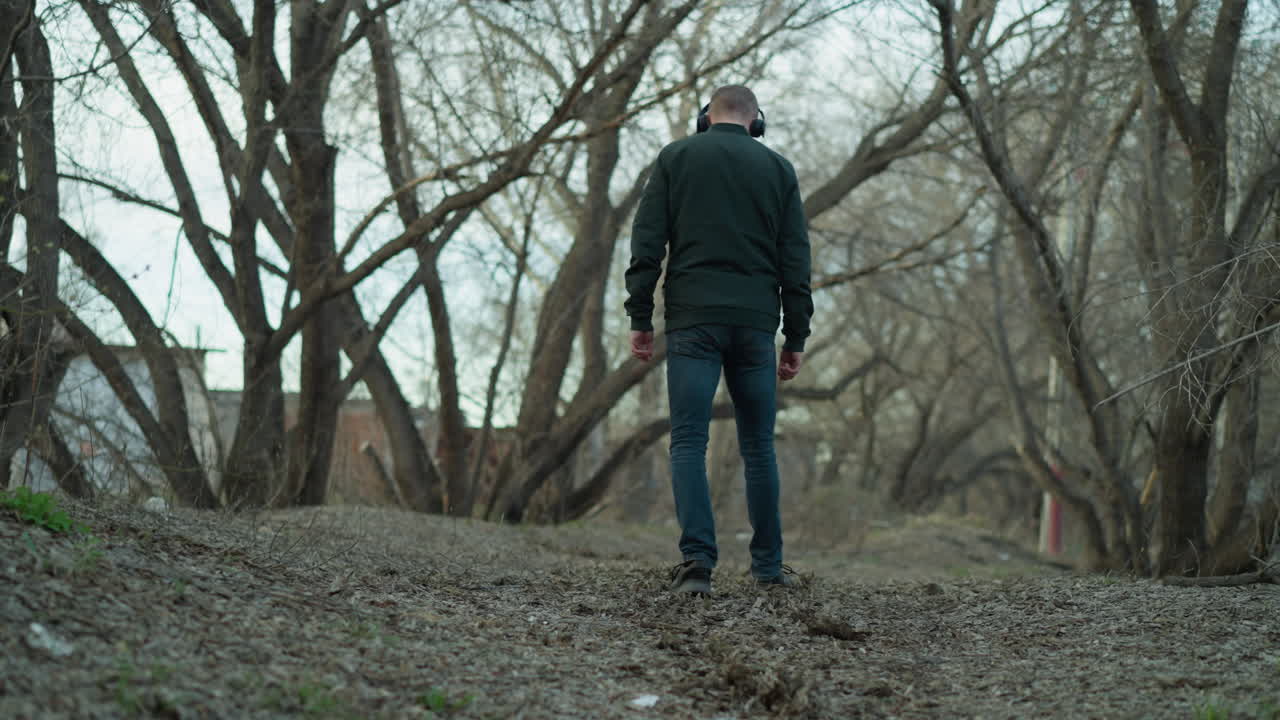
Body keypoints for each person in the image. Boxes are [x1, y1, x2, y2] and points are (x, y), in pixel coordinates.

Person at [624, 85, 813, 595]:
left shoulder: (676, 158)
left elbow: (647, 242)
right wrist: (795, 333)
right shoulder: (778, 170)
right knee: (758, 447)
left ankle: (698, 565)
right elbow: (796, 260)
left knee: (688, 440)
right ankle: (769, 570)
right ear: (757, 121)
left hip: (693, 320)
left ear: (706, 118)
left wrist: (640, 314)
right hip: (755, 324)